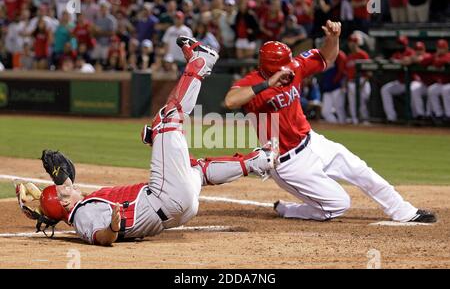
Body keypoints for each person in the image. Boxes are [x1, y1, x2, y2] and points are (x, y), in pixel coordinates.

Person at [20, 37, 275, 246]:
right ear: (65, 203)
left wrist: (41, 199)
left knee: (196, 169)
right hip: (165, 198)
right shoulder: (83, 216)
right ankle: (200, 63)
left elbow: (64, 189)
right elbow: (102, 238)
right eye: (65, 190)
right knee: (167, 118)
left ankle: (260, 160)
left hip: (177, 208)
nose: (68, 184)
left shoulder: (82, 205)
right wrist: (113, 227)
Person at [224, 20, 436, 223]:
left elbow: (327, 57)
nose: (289, 68)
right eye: (283, 66)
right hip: (288, 163)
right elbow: (230, 101)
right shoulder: (252, 83)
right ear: (269, 67)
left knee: (361, 170)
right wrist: (267, 84)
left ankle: (404, 212)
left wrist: (333, 39)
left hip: (313, 142)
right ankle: (289, 209)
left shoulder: (294, 67)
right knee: (339, 205)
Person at [381, 35, 415, 122]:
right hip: (400, 82)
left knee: (414, 91)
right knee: (385, 89)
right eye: (399, 44)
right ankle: (391, 117)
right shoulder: (396, 54)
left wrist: (401, 61)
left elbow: (409, 60)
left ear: (406, 44)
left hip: (412, 82)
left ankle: (416, 116)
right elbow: (391, 61)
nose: (399, 46)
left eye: (401, 44)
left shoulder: (411, 52)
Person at [346, 33, 371, 124]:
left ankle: (364, 119)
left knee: (362, 102)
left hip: (362, 81)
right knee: (352, 103)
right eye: (351, 42)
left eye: (354, 42)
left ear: (357, 43)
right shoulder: (348, 56)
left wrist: (363, 83)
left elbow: (369, 71)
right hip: (351, 82)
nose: (352, 44)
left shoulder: (363, 54)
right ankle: (354, 119)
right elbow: (347, 73)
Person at [425, 39, 450, 122]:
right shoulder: (435, 56)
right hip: (442, 83)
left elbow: (443, 61)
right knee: (431, 90)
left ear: (447, 48)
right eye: (439, 47)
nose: (440, 49)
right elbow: (424, 61)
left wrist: (435, 59)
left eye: (442, 48)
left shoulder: (448, 55)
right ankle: (438, 114)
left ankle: (448, 115)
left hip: (448, 83)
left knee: (445, 90)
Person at [320, 49, 347, 124]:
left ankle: (344, 128)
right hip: (327, 89)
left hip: (337, 87)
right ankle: (336, 127)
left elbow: (342, 71)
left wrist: (336, 82)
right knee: (325, 112)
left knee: (339, 110)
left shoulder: (340, 55)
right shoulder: (324, 55)